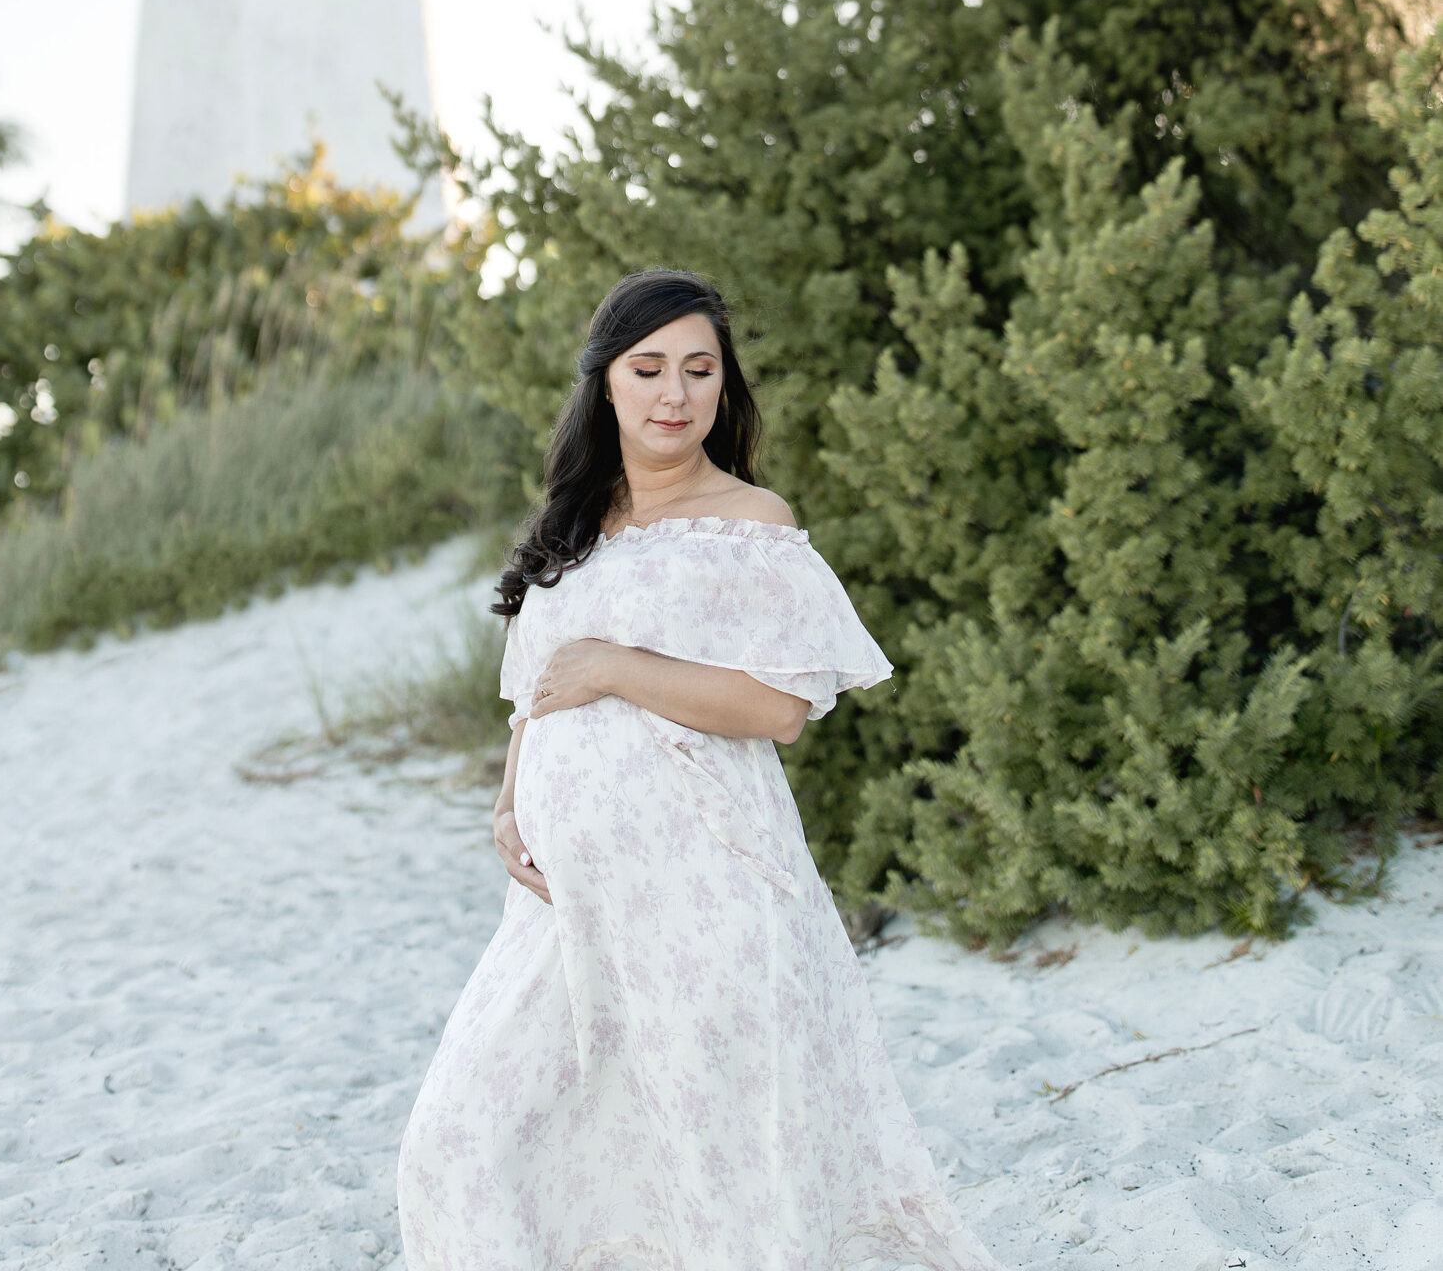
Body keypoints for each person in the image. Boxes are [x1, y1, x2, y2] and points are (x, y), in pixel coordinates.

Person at [396, 267, 1006, 1271]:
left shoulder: (751, 522)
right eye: (648, 369)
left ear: (725, 388)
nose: (673, 394)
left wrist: (621, 668)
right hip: (565, 907)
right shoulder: (571, 527)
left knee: (715, 1172)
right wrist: (510, 799)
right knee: (459, 1139)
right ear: (606, 384)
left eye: (698, 369)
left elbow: (777, 707)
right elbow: (535, 689)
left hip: (710, 898)